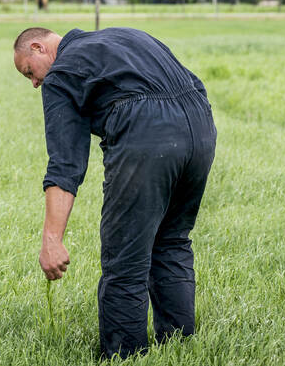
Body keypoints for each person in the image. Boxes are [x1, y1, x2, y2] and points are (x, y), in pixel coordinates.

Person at [13, 26, 217, 359]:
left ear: (38, 47)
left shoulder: (62, 72)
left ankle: (124, 355)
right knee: (172, 241)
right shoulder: (124, 36)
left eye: (29, 73)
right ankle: (179, 348)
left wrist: (51, 239)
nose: (35, 84)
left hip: (147, 134)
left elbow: (65, 164)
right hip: (201, 127)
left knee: (125, 258)